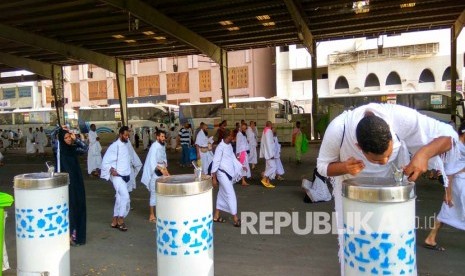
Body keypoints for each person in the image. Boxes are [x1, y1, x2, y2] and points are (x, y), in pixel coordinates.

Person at [316, 103, 459, 275]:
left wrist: (424, 154)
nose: (385, 162)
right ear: (359, 147)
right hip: (356, 204)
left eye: (389, 154)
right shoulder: (339, 129)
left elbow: (450, 137)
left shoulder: (398, 117)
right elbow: (322, 166)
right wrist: (344, 167)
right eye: (377, 160)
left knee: (394, 251)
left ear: (391, 135)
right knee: (361, 251)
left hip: (395, 203)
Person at [425, 121, 465, 251]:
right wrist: (448, 193)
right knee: (449, 208)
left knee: (447, 210)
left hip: (459, 183)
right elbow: (449, 172)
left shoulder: (459, 145)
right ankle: (430, 237)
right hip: (459, 184)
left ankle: (431, 238)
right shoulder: (456, 147)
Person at [101, 126, 142, 232]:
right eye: (125, 135)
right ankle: (121, 219)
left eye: (128, 135)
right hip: (117, 177)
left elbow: (130, 158)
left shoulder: (127, 144)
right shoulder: (114, 146)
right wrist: (111, 169)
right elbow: (105, 161)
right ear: (120, 134)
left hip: (126, 176)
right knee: (125, 197)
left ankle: (114, 220)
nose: (127, 137)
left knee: (119, 199)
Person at [58, 125, 88, 246]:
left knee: (79, 206)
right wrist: (60, 128)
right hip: (66, 184)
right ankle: (68, 236)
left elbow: (85, 148)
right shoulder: (58, 150)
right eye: (65, 138)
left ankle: (77, 236)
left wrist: (76, 139)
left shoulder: (73, 149)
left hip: (77, 182)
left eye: (69, 137)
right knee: (69, 209)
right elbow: (53, 137)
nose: (68, 139)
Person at [211, 129, 243, 227]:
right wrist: (214, 178)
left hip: (228, 173)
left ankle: (216, 216)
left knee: (222, 193)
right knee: (230, 194)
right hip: (221, 173)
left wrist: (240, 166)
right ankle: (235, 218)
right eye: (232, 136)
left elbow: (232, 158)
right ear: (227, 136)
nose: (233, 137)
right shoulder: (220, 147)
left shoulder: (229, 145)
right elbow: (215, 162)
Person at [141, 130, 170, 223]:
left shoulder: (162, 145)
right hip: (155, 172)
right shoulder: (154, 146)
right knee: (154, 193)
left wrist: (165, 168)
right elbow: (152, 161)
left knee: (163, 192)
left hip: (162, 168)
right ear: (157, 137)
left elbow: (164, 157)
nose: (163, 138)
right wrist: (160, 169)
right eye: (161, 136)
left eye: (164, 137)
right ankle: (151, 215)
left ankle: (162, 212)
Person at [259, 121, 276, 188]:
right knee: (273, 167)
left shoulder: (265, 131)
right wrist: (271, 154)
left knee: (268, 167)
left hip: (266, 153)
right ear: (270, 125)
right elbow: (269, 144)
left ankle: (267, 182)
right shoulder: (269, 131)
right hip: (269, 153)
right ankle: (264, 177)